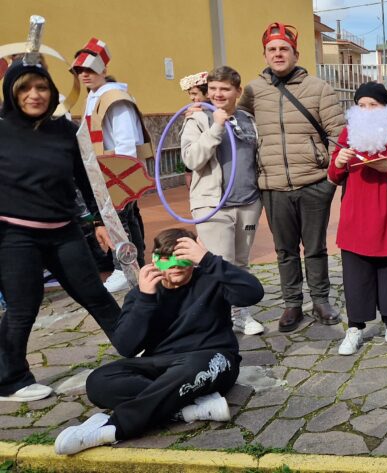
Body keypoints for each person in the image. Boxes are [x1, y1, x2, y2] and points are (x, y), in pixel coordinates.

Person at [53, 228, 263, 455]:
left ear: (194, 259)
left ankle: (114, 427)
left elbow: (253, 293)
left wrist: (208, 259)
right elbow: (126, 347)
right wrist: (145, 299)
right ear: (155, 261)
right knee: (98, 381)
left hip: (212, 360)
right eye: (167, 258)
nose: (175, 265)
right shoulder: (142, 293)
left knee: (193, 368)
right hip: (161, 366)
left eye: (183, 257)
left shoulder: (211, 279)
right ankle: (188, 408)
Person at [0, 60, 121, 403]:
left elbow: (84, 180)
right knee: (24, 307)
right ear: (12, 93)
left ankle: (136, 346)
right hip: (15, 236)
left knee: (95, 294)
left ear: (52, 92)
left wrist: (98, 222)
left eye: (41, 87)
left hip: (64, 231)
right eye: (24, 88)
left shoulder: (64, 130)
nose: (34, 95)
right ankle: (10, 379)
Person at [238, 22, 345, 332]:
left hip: (314, 183)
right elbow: (236, 124)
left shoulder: (318, 88)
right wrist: (199, 109)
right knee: (284, 249)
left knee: (314, 247)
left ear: (296, 53)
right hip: (272, 186)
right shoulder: (253, 91)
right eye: (272, 49)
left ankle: (321, 300)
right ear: (265, 54)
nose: (278, 54)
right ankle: (292, 304)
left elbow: (338, 135)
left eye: (283, 48)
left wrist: (331, 180)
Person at [327, 82, 387, 355]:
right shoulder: (347, 135)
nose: (366, 111)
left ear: (386, 109)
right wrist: (339, 162)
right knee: (356, 276)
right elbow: (333, 177)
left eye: (373, 105)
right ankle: (355, 328)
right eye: (361, 106)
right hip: (356, 218)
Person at [180, 66, 265, 336]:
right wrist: (216, 125)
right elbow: (192, 160)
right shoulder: (197, 120)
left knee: (240, 261)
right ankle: (215, 320)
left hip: (248, 202)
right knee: (218, 262)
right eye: (213, 88)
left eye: (225, 89)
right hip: (212, 204)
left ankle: (240, 313)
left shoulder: (248, 120)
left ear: (237, 92)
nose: (218, 94)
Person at [72, 37, 152, 294]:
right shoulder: (95, 97)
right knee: (121, 218)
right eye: (80, 70)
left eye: (90, 69)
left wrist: (123, 176)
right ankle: (134, 265)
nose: (84, 75)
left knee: (121, 219)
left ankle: (124, 267)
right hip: (102, 170)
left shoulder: (114, 97)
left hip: (115, 171)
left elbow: (126, 140)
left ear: (103, 70)